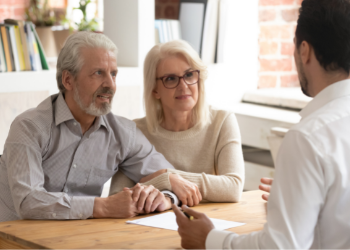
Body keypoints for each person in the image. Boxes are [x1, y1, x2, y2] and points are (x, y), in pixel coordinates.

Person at [173, 0, 350, 248]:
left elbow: (282, 246)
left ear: (305, 51)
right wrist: (294, 200)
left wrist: (210, 239)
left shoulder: (307, 138)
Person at [0, 32, 197, 222]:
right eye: (98, 73)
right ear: (68, 80)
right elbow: (28, 202)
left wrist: (165, 197)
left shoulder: (123, 134)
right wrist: (104, 206)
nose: (110, 84)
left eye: (113, 74)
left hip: (76, 240)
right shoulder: (29, 127)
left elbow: (174, 180)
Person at [109, 40, 245, 206]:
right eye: (171, 79)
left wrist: (165, 174)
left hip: (206, 224)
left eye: (189, 75)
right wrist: (169, 182)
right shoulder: (134, 131)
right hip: (147, 228)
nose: (183, 86)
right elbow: (117, 197)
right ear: (154, 90)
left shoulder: (222, 122)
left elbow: (233, 187)